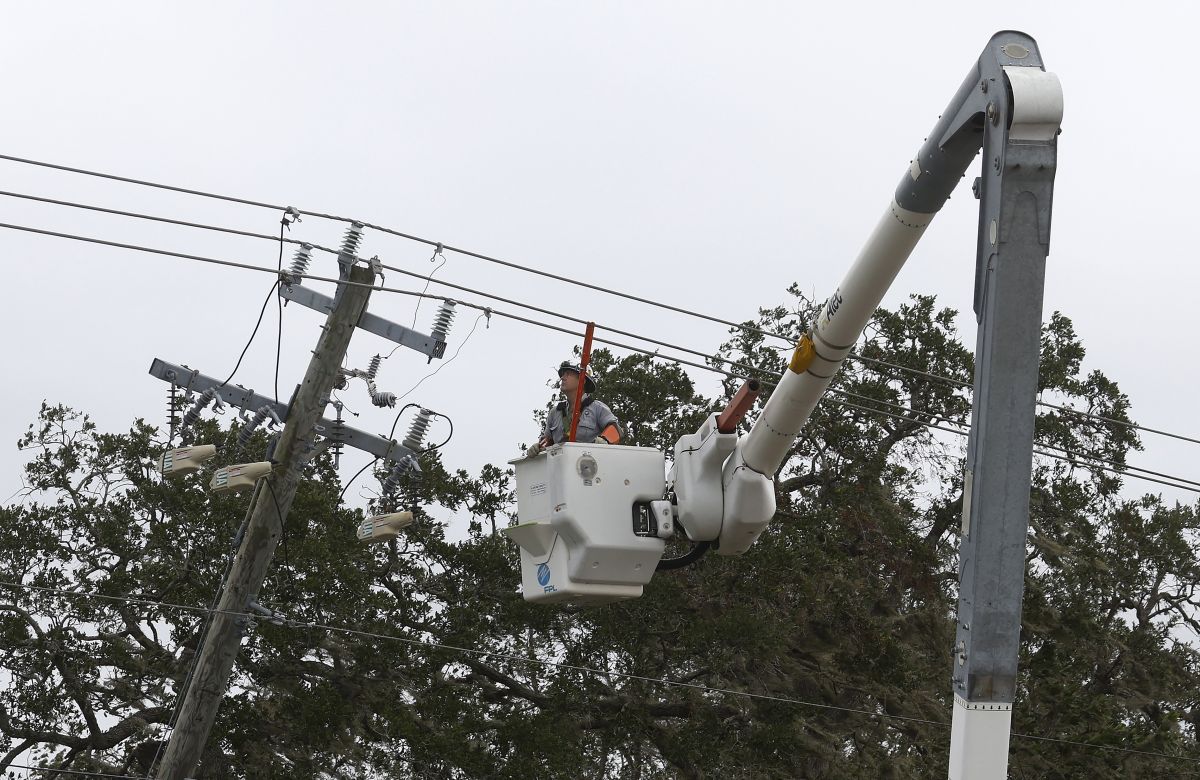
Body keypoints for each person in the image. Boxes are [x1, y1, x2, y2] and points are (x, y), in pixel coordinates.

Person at [527, 361, 621, 456]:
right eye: (563, 375)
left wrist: (604, 440)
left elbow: (615, 429)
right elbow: (548, 440)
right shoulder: (555, 412)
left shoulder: (597, 408)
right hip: (562, 465)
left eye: (568, 374)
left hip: (588, 465)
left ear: (582, 380)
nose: (562, 378)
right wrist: (539, 447)